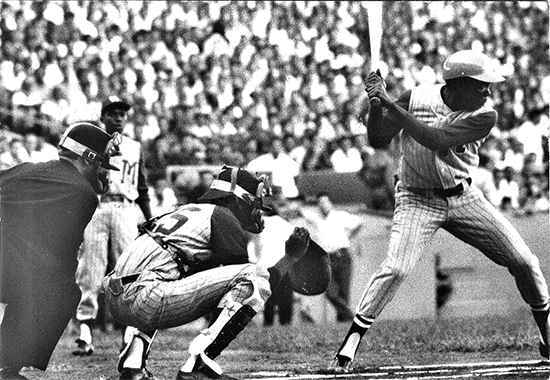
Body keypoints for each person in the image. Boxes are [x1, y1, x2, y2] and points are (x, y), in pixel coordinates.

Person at [328, 50, 550, 372]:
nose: (488, 92)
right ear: (458, 84)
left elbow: (435, 139)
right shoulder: (416, 97)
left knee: (525, 261)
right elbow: (377, 139)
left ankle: (546, 335)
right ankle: (351, 342)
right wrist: (376, 107)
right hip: (416, 199)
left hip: (464, 198)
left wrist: (389, 103)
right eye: (481, 85)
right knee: (397, 268)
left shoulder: (486, 115)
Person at [103, 166, 311, 380]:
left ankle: (133, 363)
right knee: (252, 276)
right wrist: (290, 258)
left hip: (116, 295)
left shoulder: (185, 211)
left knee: (169, 275)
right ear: (238, 200)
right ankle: (198, 365)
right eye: (254, 204)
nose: (257, 212)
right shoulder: (223, 216)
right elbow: (253, 281)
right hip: (145, 297)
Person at [0, 122, 121, 379]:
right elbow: (61, 260)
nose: (105, 171)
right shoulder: (82, 193)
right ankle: (6, 365)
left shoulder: (29, 169)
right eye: (102, 162)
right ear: (87, 157)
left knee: (38, 280)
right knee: (61, 289)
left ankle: (4, 364)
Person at [73, 96, 153, 356]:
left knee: (126, 268)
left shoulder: (134, 147)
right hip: (96, 206)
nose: (119, 118)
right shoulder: (88, 141)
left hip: (125, 208)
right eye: (113, 113)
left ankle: (128, 333)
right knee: (91, 268)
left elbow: (141, 186)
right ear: (103, 116)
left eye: (122, 114)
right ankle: (85, 332)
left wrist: (149, 216)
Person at [302, 193, 363, 322]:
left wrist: (349, 237)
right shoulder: (315, 218)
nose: (323, 205)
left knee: (344, 293)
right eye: (320, 203)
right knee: (330, 292)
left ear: (330, 203)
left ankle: (343, 323)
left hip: (342, 256)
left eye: (325, 202)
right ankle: (350, 317)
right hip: (326, 259)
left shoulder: (340, 216)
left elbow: (359, 223)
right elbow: (300, 210)